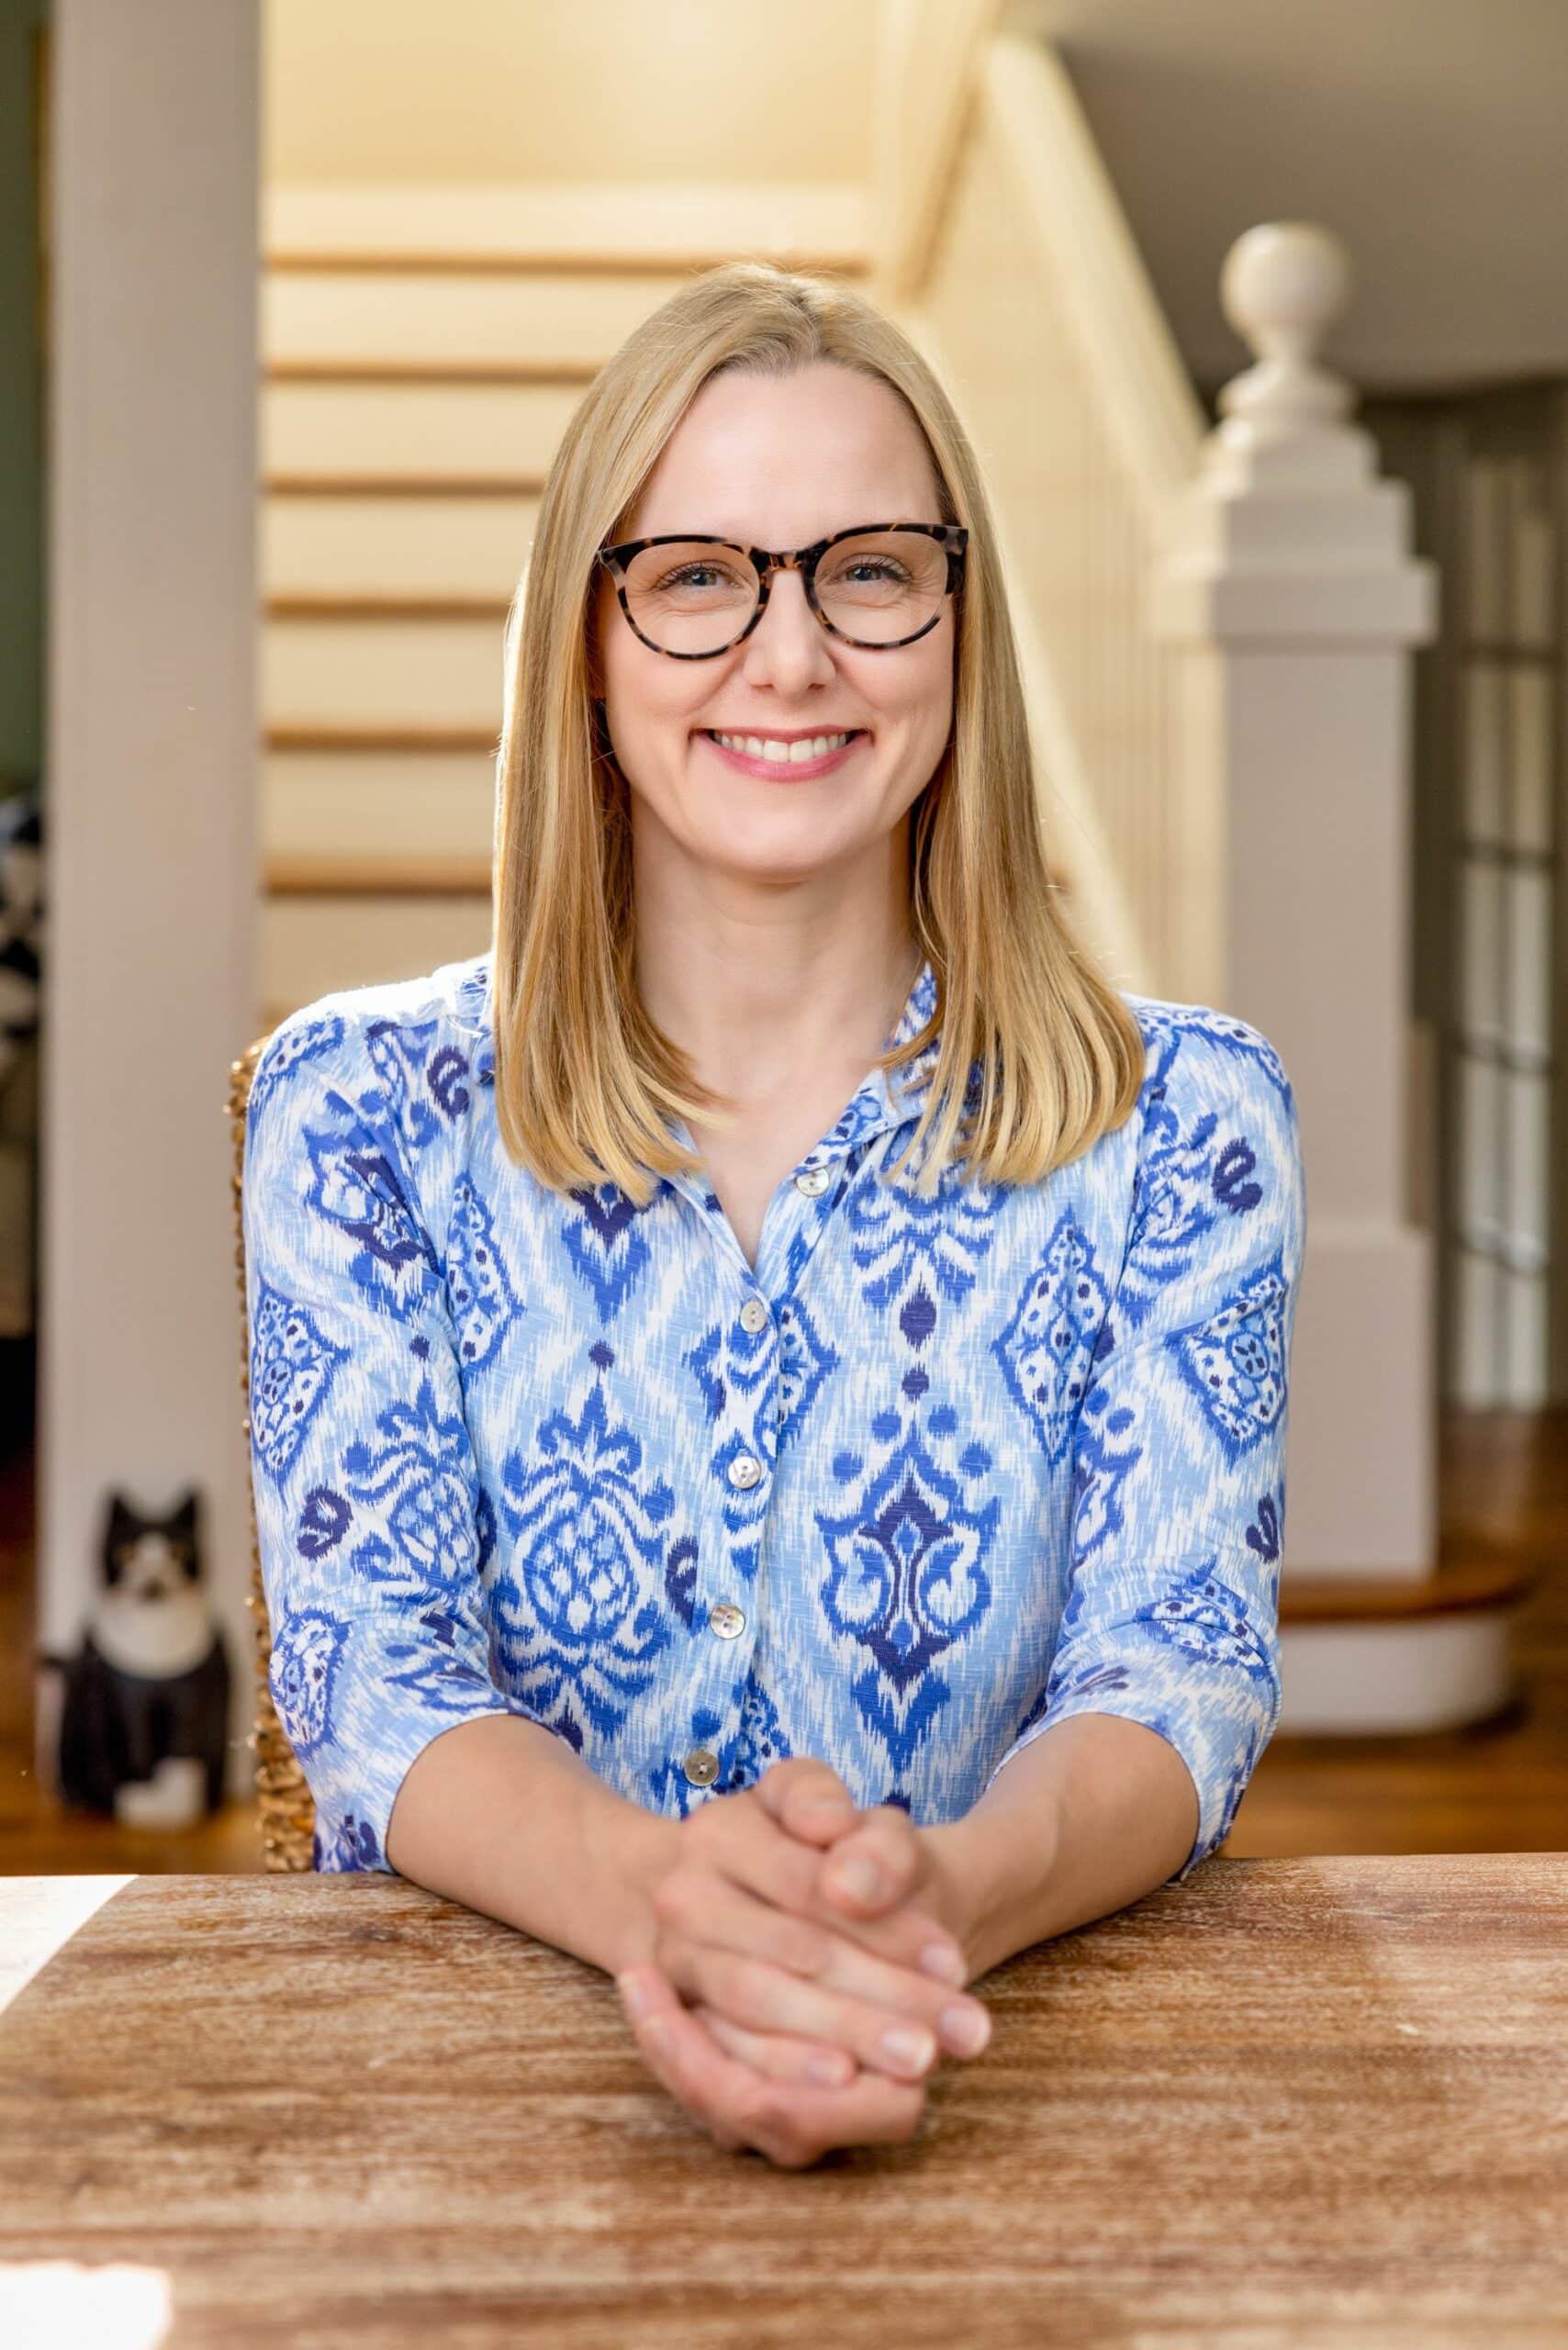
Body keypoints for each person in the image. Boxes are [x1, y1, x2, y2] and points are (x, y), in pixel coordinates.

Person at [242, 261, 1306, 2169]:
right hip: (464, 2122)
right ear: (587, 640)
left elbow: (1175, 1668)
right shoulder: (358, 1112)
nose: (792, 655)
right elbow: (374, 1681)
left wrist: (940, 1900)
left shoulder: (1185, 1128)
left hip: (1000, 2077)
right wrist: (674, 1911)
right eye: (696, 576)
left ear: (959, 625)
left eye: (868, 570)